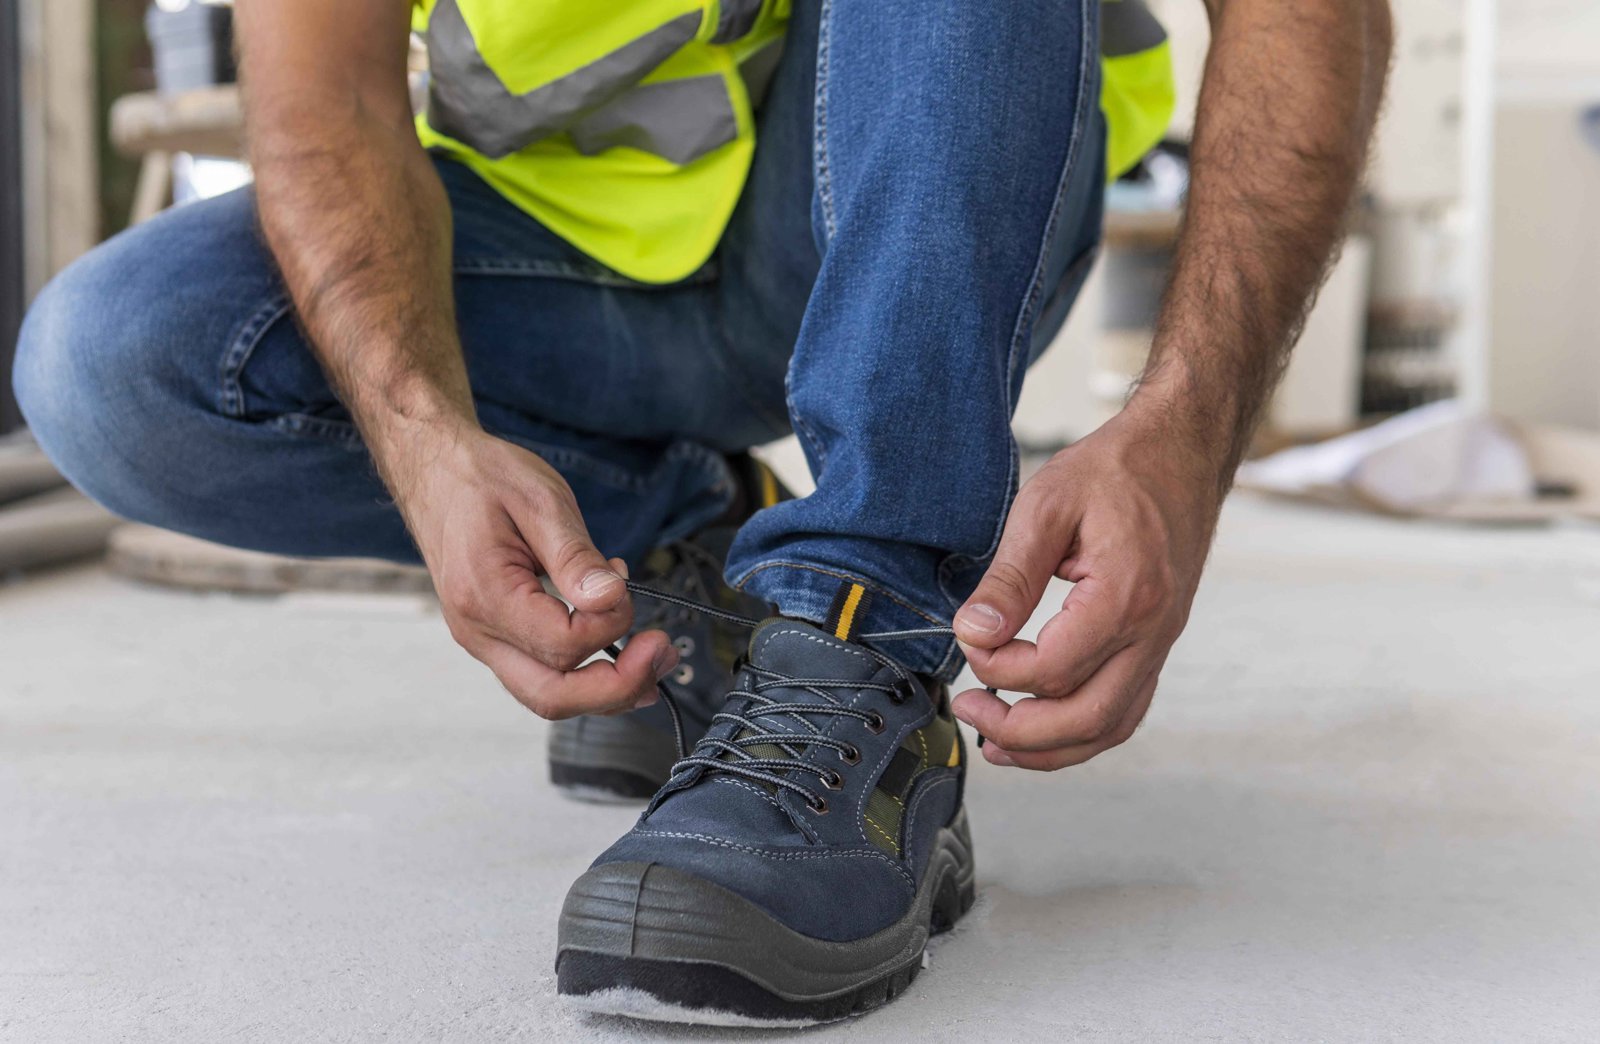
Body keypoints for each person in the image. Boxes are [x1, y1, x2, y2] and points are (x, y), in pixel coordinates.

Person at [12, 0, 1391, 1026]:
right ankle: (697, 568)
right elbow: (333, 102)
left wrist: (1189, 432)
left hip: (919, 206)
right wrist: (429, 443)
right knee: (117, 361)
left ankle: (866, 620)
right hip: (563, 256)